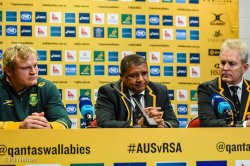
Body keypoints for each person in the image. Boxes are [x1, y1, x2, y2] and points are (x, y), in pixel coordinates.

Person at [95, 54, 179, 128]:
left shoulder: (160, 91)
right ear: (122, 76)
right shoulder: (110, 92)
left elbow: (174, 122)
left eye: (144, 73)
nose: (140, 79)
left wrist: (162, 124)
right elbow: (104, 123)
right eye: (133, 75)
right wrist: (137, 125)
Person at [0, 43, 72, 129]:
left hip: (38, 142)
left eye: (35, 65)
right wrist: (19, 127)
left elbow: (64, 122)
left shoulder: (47, 87)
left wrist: (49, 126)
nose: (33, 72)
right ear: (8, 70)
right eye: (25, 68)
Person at [198, 39, 250, 127]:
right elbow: (207, 123)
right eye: (222, 63)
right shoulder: (208, 89)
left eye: (231, 63)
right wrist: (244, 124)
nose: (225, 68)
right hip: (219, 140)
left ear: (244, 68)